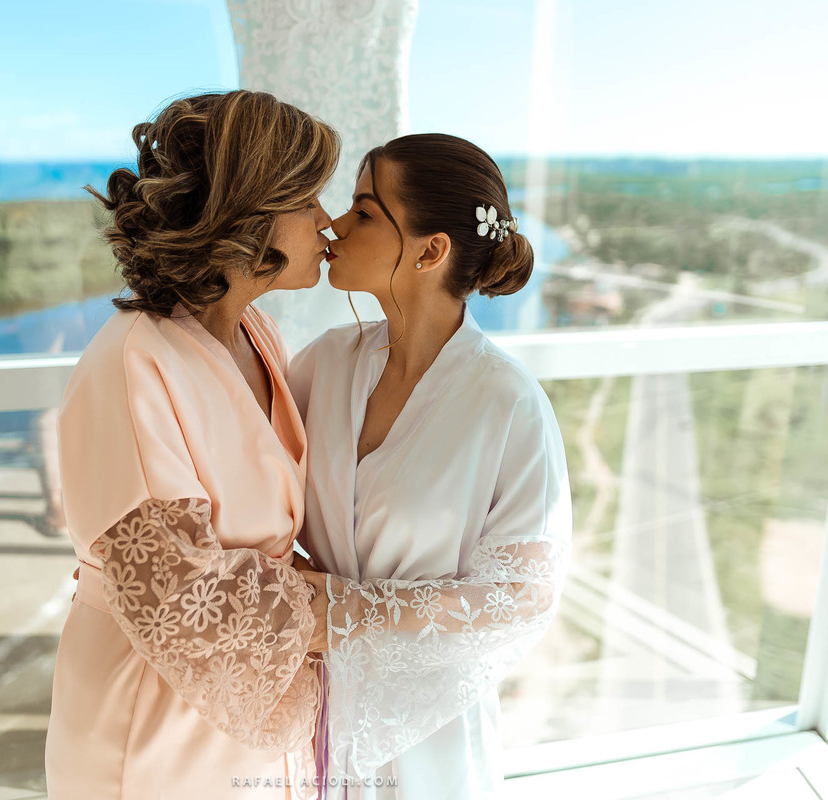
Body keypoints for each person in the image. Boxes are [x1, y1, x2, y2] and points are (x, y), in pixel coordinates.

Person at [45, 90, 338, 799]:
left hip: (248, 695)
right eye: (307, 200)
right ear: (249, 211)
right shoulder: (133, 363)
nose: (326, 222)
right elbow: (178, 597)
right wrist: (370, 613)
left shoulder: (257, 334)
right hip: (155, 715)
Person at [288, 134, 572, 799]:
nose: (334, 224)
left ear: (430, 250)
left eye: (364, 211)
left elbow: (521, 599)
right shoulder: (322, 364)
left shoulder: (507, 402)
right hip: (310, 707)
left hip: (431, 732)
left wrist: (342, 611)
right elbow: (257, 491)